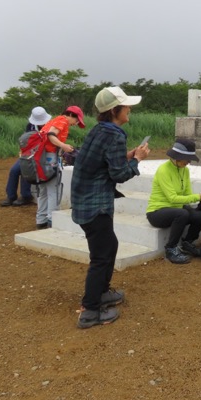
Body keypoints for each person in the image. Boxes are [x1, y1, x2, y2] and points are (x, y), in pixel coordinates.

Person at [71, 87, 149, 329]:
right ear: (115, 110)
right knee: (101, 256)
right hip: (96, 205)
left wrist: (127, 155)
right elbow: (120, 174)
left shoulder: (100, 130)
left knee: (109, 246)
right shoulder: (115, 134)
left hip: (85, 202)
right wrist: (137, 160)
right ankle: (90, 311)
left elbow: (103, 161)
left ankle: (102, 293)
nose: (130, 110)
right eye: (126, 106)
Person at [146, 138, 201, 264]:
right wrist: (199, 196)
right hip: (156, 212)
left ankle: (187, 243)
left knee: (199, 215)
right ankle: (171, 249)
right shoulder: (163, 170)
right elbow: (172, 198)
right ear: (177, 157)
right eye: (186, 159)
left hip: (176, 208)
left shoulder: (185, 170)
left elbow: (187, 195)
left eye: (190, 160)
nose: (188, 162)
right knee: (182, 213)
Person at [36, 105, 85, 230]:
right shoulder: (62, 120)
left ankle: (40, 220)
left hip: (40, 157)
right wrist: (63, 146)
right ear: (71, 115)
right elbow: (51, 135)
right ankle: (52, 220)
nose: (75, 124)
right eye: (77, 120)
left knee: (43, 190)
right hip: (49, 157)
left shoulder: (54, 120)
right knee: (53, 189)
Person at [0, 106, 51, 207]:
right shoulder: (30, 126)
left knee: (26, 168)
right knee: (14, 170)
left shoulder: (50, 126)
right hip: (29, 153)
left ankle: (26, 195)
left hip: (42, 154)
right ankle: (11, 196)